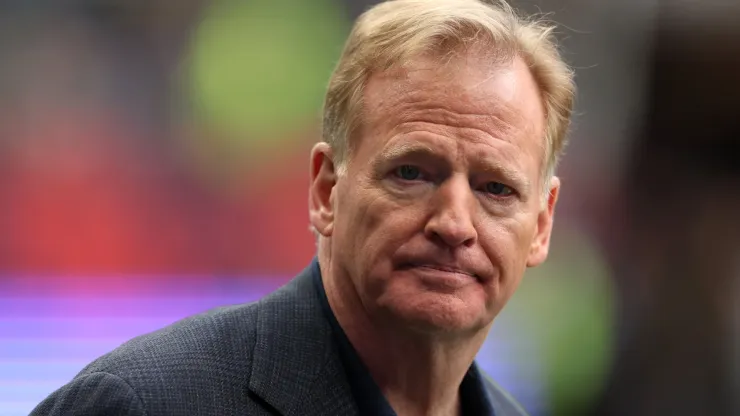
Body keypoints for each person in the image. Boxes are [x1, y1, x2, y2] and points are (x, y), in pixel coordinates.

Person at [30, 0, 574, 414]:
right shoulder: (145, 403)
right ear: (325, 191)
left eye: (496, 189)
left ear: (542, 223)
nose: (454, 224)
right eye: (411, 173)